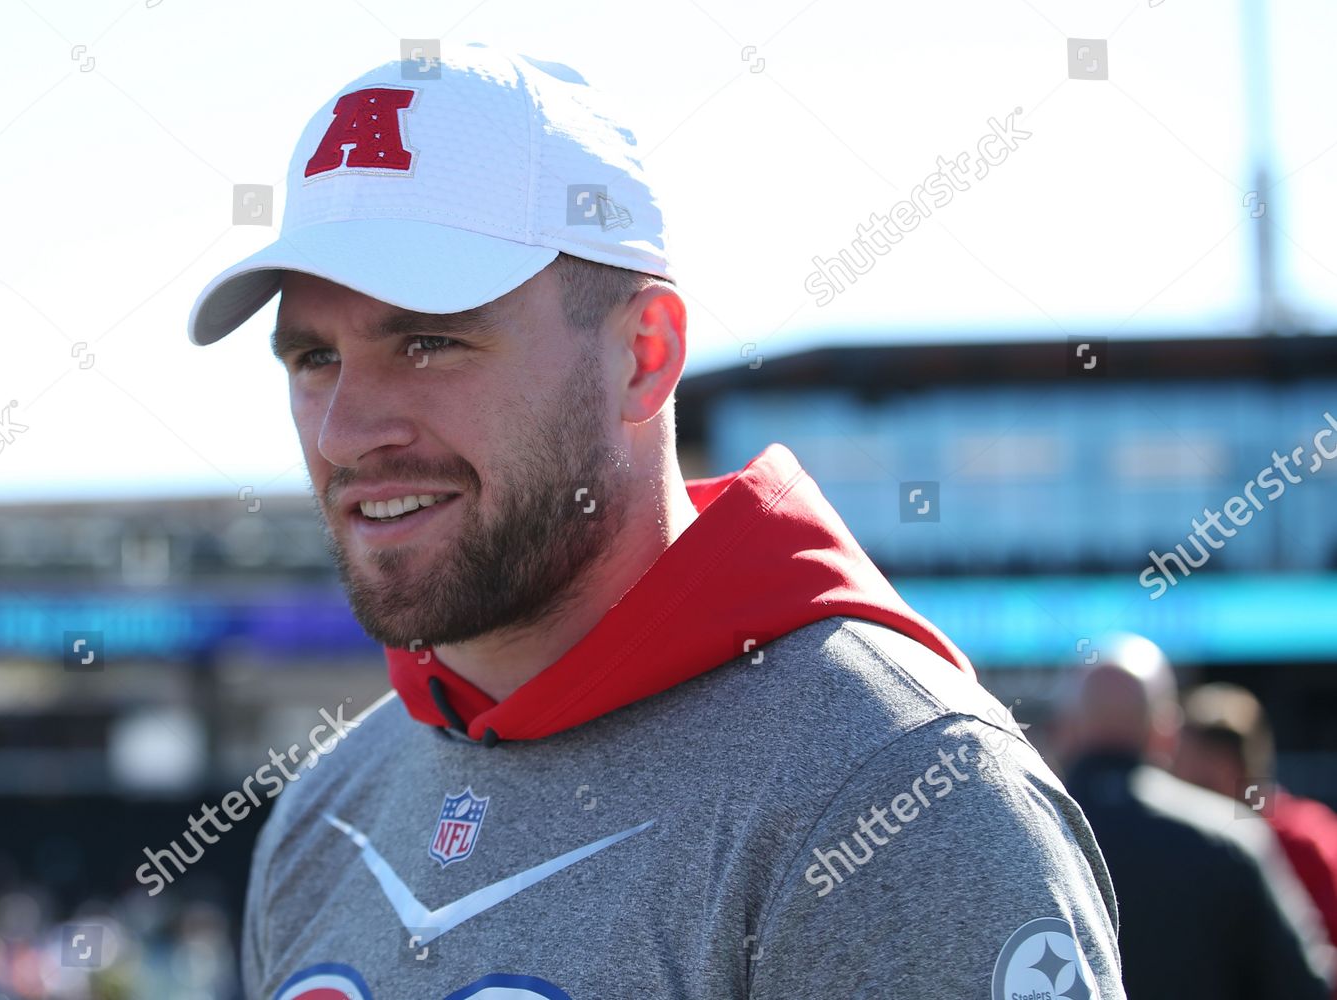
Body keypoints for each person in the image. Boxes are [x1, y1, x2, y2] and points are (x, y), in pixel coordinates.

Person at [188, 43, 1126, 1000]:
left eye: (430, 341)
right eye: (311, 358)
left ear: (644, 354)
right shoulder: (327, 811)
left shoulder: (899, 796)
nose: (346, 432)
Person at [1056, 633, 1333, 999]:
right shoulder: (1229, 835)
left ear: (1066, 730)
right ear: (1166, 733)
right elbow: (1303, 987)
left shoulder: (1016, 837)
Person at [1176, 681, 1337, 995]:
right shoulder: (1182, 843)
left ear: (1227, 767)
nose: (1179, 790)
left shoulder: (1304, 838)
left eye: (1197, 779)